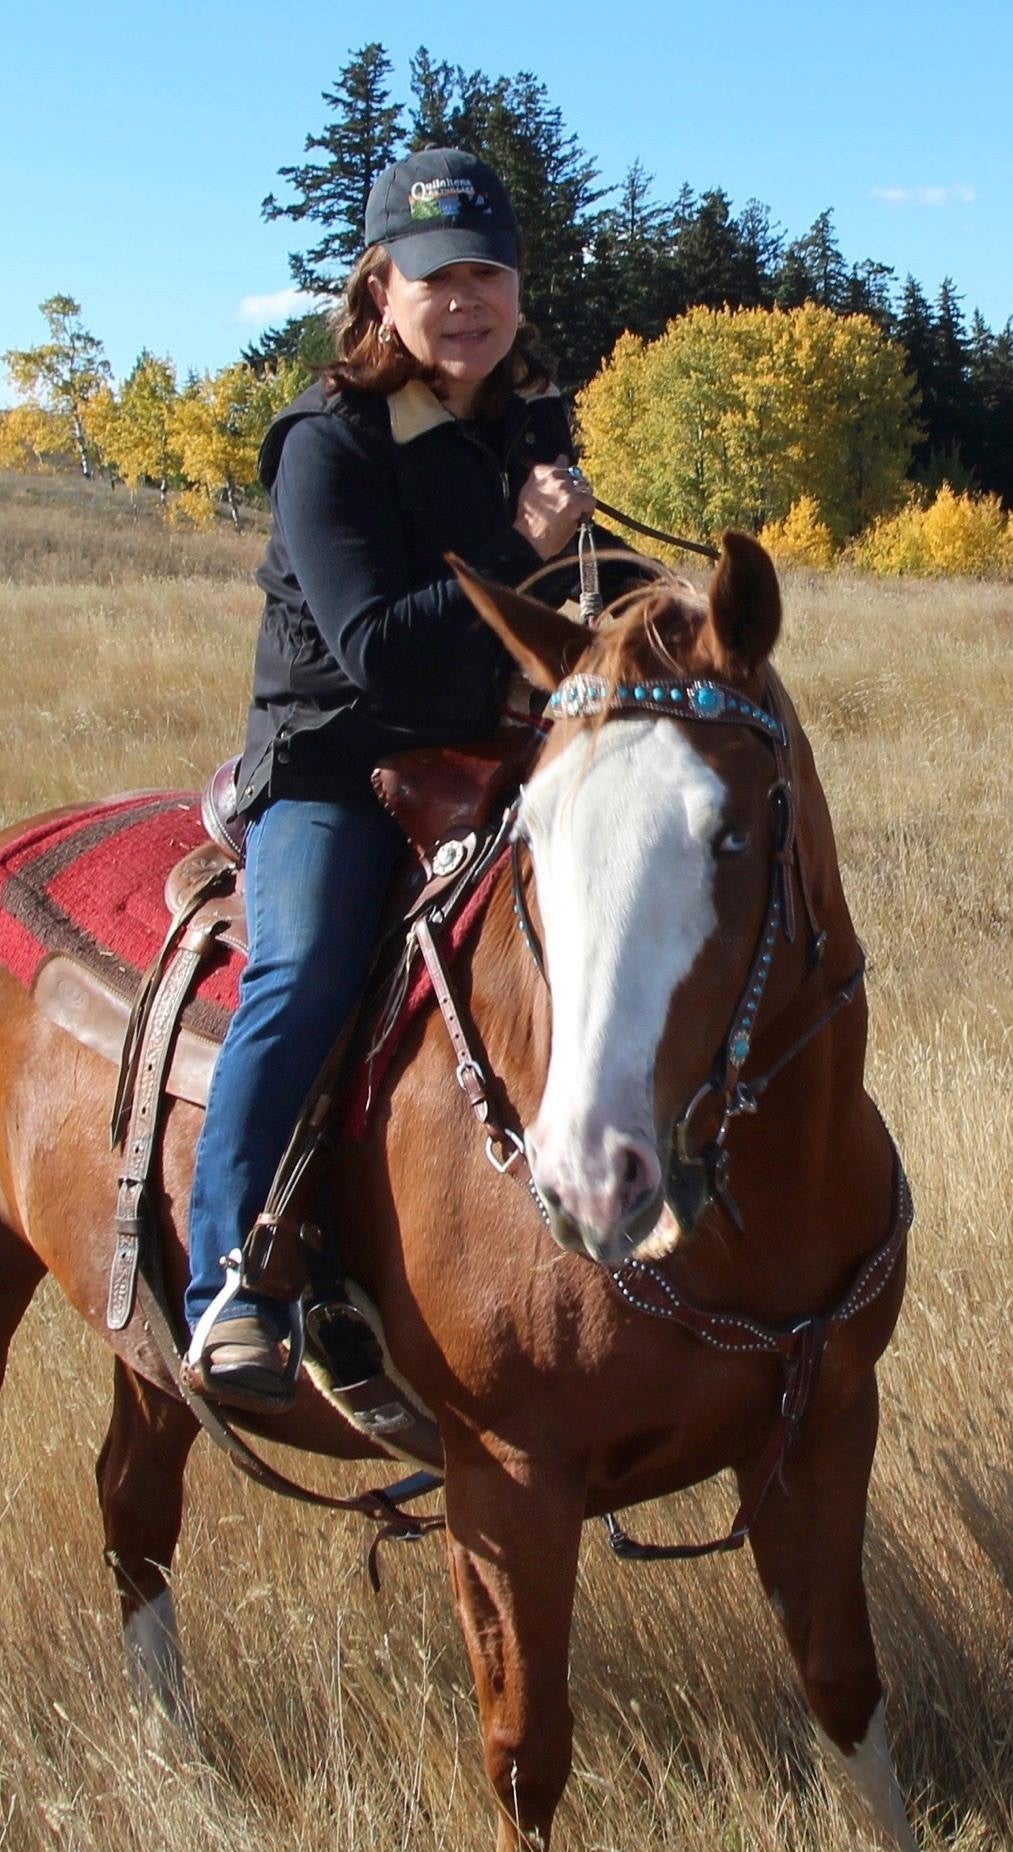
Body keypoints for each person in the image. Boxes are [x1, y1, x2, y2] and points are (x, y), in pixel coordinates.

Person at [184, 146, 623, 1412]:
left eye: (487, 272)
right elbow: (373, 642)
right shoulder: (326, 442)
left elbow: (561, 602)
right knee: (308, 966)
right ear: (380, 290)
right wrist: (519, 537)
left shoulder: (525, 424)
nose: (465, 300)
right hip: (336, 765)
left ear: (519, 287)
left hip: (488, 750)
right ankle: (234, 1275)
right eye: (436, 278)